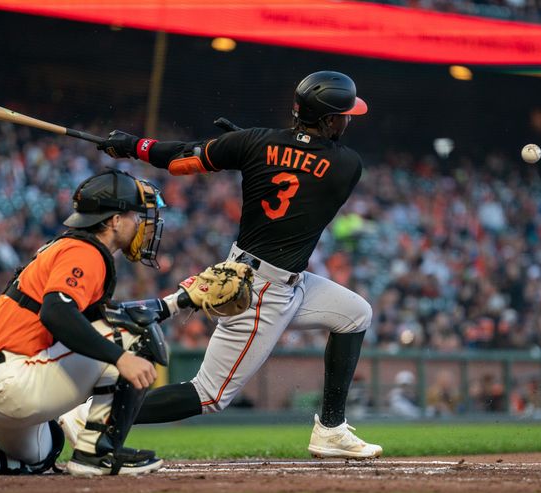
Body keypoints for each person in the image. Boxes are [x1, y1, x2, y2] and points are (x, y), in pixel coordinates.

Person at [97, 71, 382, 458]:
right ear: (329, 119)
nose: (348, 120)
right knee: (209, 394)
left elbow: (183, 157)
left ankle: (330, 429)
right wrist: (252, 144)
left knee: (355, 314)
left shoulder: (255, 142)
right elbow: (302, 162)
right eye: (344, 115)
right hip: (261, 288)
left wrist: (132, 145)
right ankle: (95, 414)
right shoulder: (347, 165)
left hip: (280, 278)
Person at [0, 168, 235, 477]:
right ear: (114, 220)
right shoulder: (85, 252)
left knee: (43, 451)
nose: (141, 223)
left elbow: (93, 319)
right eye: (135, 215)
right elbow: (57, 313)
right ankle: (96, 453)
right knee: (135, 336)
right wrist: (120, 358)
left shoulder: (69, 248)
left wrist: (178, 301)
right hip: (11, 379)